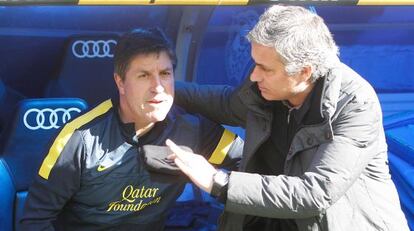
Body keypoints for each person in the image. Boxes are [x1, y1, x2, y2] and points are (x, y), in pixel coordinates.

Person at [167, 5, 410, 231]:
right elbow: (224, 103)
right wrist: (164, 90)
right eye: (255, 64)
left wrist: (218, 181)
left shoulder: (355, 103)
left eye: (266, 69)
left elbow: (316, 192)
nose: (253, 76)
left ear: (304, 71)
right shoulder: (268, 92)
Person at [20, 28, 243, 230]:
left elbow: (248, 162)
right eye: (144, 75)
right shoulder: (79, 139)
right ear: (120, 82)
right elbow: (34, 222)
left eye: (165, 74)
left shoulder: (193, 129)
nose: (158, 87)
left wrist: (217, 181)